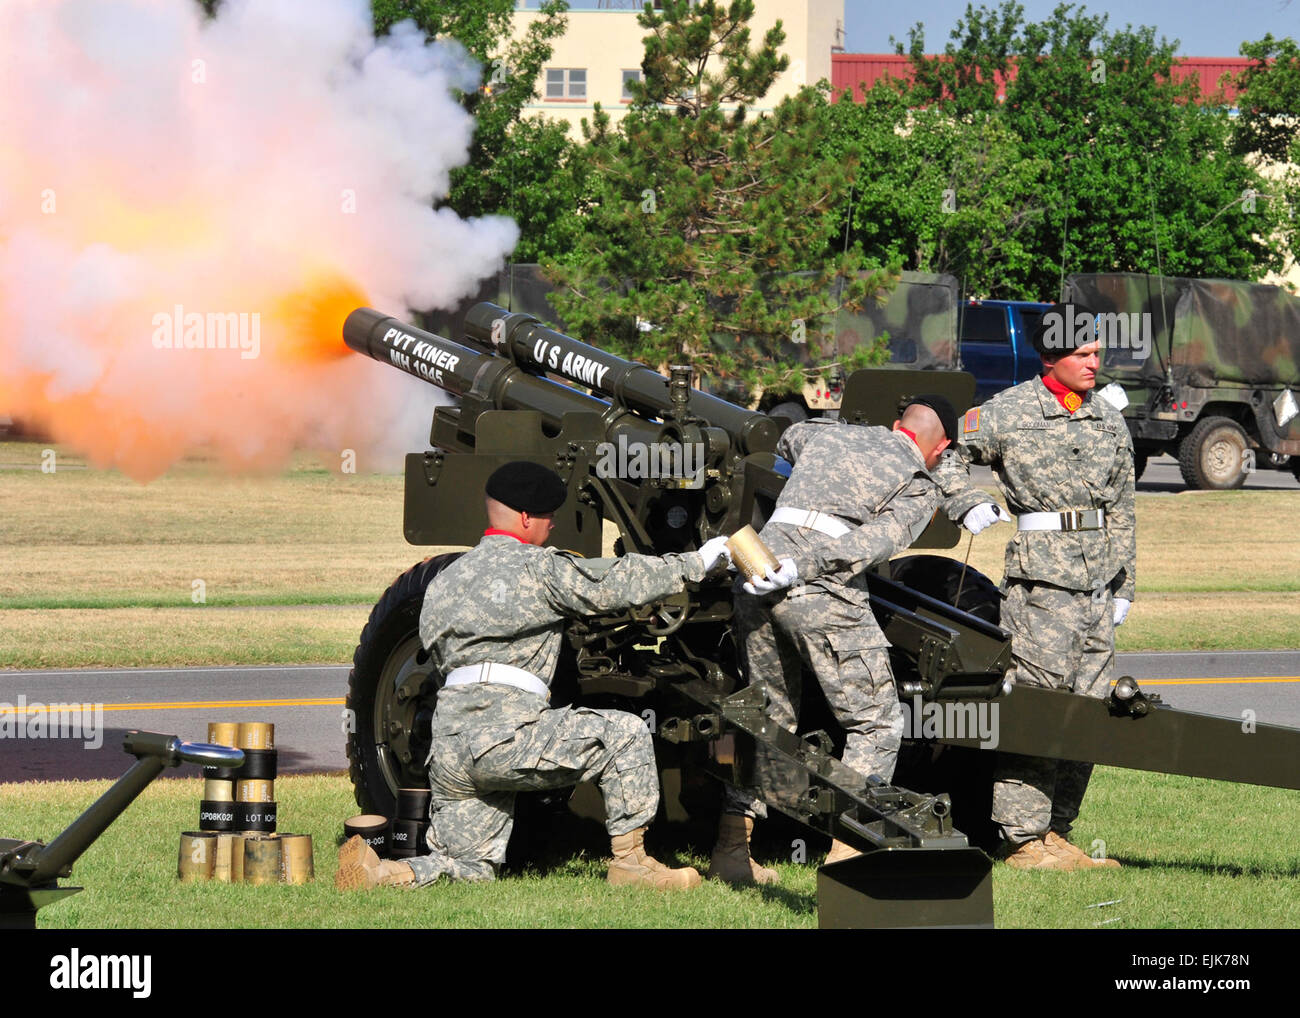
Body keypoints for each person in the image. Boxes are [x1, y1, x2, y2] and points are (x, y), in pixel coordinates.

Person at [336, 460, 733, 891]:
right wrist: (696, 563)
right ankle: (631, 863)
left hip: (450, 749)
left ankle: (382, 874)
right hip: (508, 739)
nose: (552, 525)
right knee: (626, 733)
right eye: (547, 517)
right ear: (525, 518)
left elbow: (432, 646)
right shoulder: (539, 568)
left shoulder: (445, 581)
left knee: (467, 866)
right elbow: (614, 583)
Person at [708, 395, 1007, 884]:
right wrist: (801, 568)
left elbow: (788, 435)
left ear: (896, 423)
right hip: (813, 587)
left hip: (755, 567)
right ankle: (848, 860)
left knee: (764, 714)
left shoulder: (828, 434)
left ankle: (730, 850)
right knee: (877, 722)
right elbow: (869, 545)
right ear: (942, 447)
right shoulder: (918, 484)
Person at [943, 303, 1135, 871]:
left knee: (1091, 710)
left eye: (1097, 352)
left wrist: (1127, 584)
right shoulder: (1007, 411)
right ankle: (1023, 838)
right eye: (1083, 354)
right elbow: (945, 452)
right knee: (1036, 705)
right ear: (1050, 357)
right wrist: (966, 501)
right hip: (1041, 586)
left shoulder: (1107, 416)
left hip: (1099, 582)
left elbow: (1122, 505)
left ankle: (1059, 833)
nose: (1094, 363)